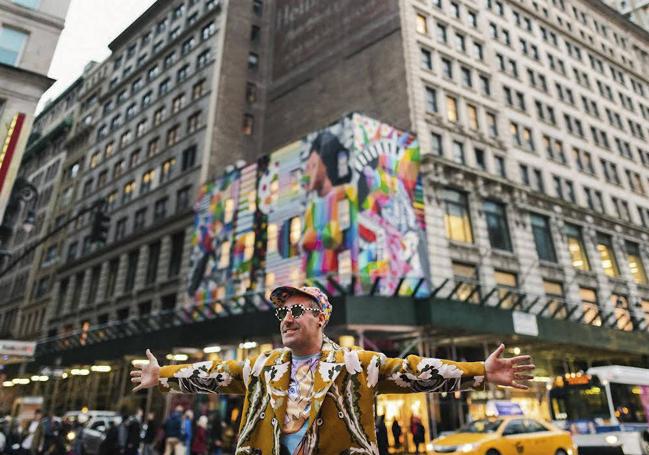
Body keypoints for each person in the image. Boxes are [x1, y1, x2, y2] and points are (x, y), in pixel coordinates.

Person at [131, 285, 534, 454]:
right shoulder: (263, 367)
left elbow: (413, 369)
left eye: (295, 310)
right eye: (280, 312)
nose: (286, 319)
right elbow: (217, 373)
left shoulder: (356, 364)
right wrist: (162, 376)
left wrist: (479, 369)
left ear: (321, 317)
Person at [301, 132, 358, 282]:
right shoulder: (311, 208)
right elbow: (304, 258)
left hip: (336, 284)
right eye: (306, 167)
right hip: (313, 287)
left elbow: (351, 242)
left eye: (312, 166)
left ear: (325, 165)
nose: (307, 174)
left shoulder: (345, 194)